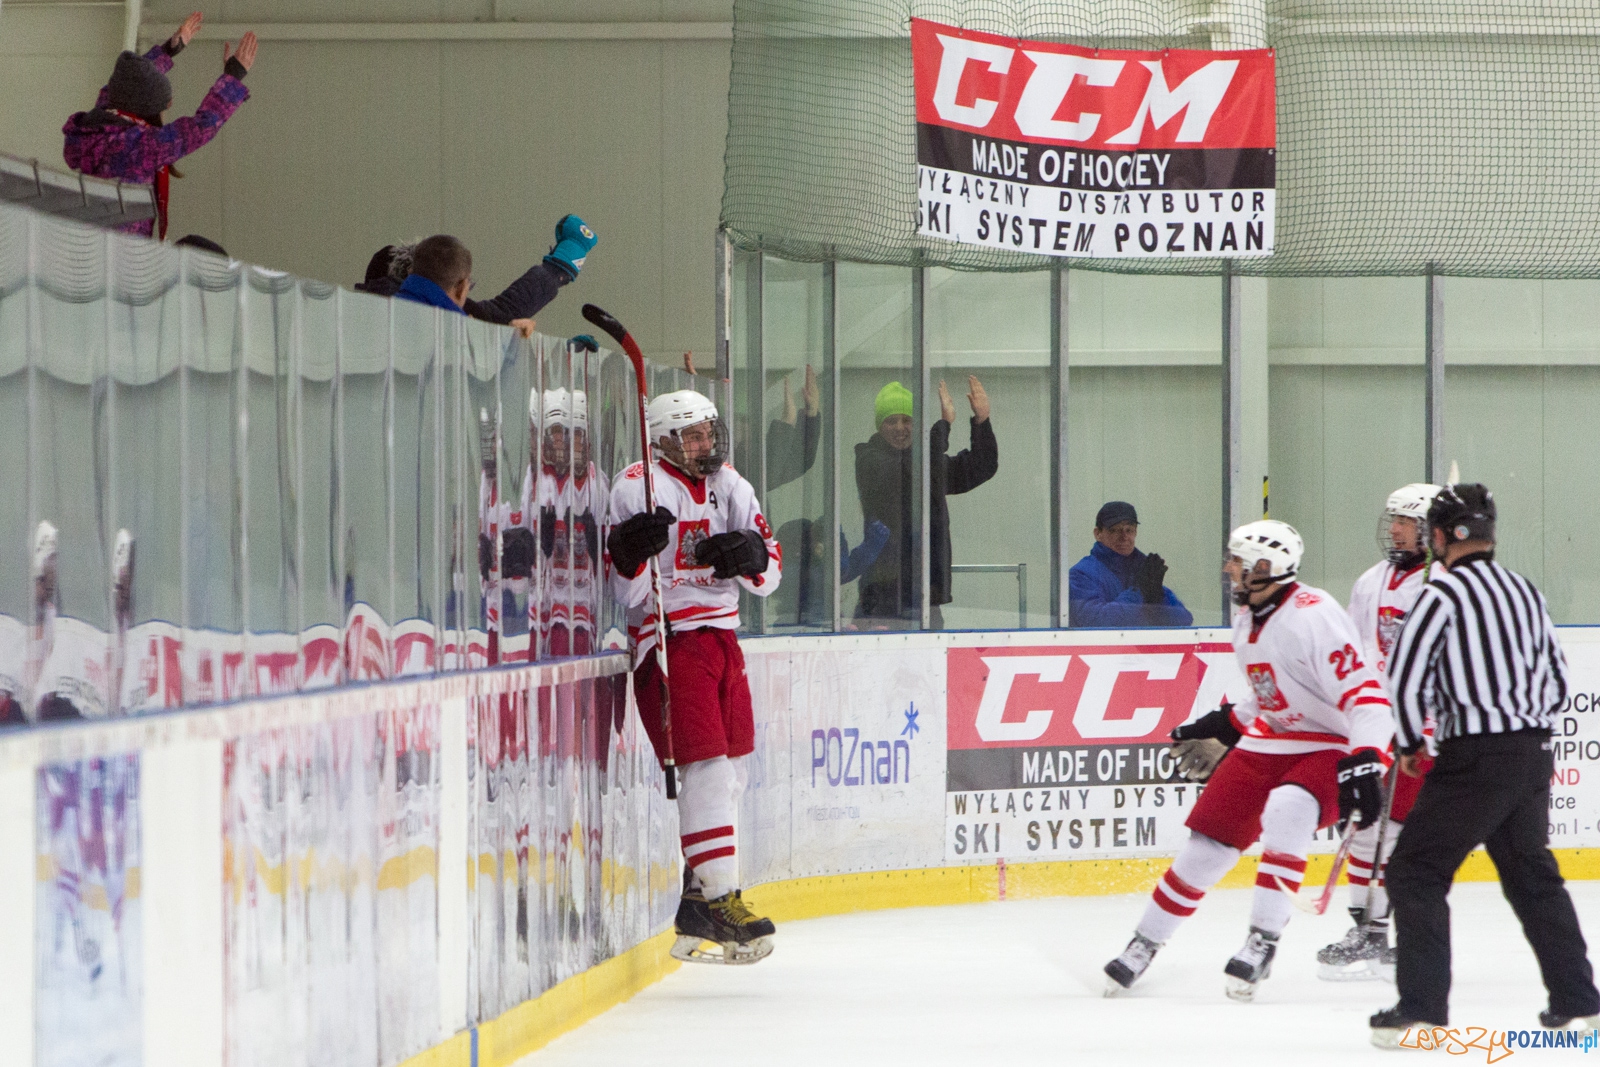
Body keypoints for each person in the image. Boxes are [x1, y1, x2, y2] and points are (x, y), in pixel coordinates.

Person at [1105, 520, 1393, 1002]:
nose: (1227, 569)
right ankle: (1144, 942)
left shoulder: (1312, 614)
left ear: (1265, 567)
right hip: (1275, 735)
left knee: (1288, 808)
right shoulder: (1248, 614)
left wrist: (1368, 757)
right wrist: (1224, 723)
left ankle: (1262, 939)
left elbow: (1365, 696)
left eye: (1236, 562)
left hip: (1334, 740)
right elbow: (1269, 694)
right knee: (1209, 843)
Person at [1372, 484, 1600, 1045]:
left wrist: (1406, 743)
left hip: (1474, 756)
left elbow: (1405, 677)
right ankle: (1578, 1001)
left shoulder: (1440, 595)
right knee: (1532, 877)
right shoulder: (1526, 590)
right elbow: (1557, 675)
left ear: (1446, 536)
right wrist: (1530, 732)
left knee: (1414, 872)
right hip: (1531, 753)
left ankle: (1422, 1009)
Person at [605, 388, 782, 964]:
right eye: (695, 435)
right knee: (704, 768)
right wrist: (632, 553)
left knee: (731, 773)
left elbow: (771, 571)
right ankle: (722, 897)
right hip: (669, 641)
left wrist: (750, 554)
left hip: (724, 640)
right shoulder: (636, 486)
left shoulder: (731, 483)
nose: (708, 444)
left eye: (710, 432)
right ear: (664, 440)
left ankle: (693, 899)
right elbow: (626, 593)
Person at [1317, 482, 1442, 981]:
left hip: (1423, 730)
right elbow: (1354, 653)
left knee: (1396, 830)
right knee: (1363, 821)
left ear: (1431, 531)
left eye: (1406, 522)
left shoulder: (1447, 585)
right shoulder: (1371, 580)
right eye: (1393, 519)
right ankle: (1364, 930)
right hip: (1374, 724)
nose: (1394, 530)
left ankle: (1385, 931)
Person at [63, 12, 255, 240]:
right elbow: (201, 128)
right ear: (147, 110)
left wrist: (169, 50)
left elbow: (123, 86)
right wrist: (233, 77)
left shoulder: (96, 127)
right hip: (122, 261)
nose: (169, 105)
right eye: (164, 105)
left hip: (89, 249)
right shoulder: (137, 147)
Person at [854, 377, 997, 629]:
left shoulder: (927, 462)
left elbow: (980, 467)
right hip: (881, 597)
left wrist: (981, 421)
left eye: (907, 420)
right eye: (891, 420)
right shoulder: (868, 459)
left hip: (927, 596)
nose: (900, 427)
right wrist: (942, 427)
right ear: (879, 426)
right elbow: (904, 476)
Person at [357, 214, 596, 336]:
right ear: (460, 288)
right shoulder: (444, 326)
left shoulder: (363, 324)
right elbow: (497, 313)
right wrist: (558, 270)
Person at [1068, 502, 1193, 627]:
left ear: (1136, 532)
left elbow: (1184, 621)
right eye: (1114, 530)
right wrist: (1138, 591)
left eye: (1129, 530)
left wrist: (1158, 596)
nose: (1124, 537)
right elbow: (1097, 622)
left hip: (1142, 647)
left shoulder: (1144, 569)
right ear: (1098, 533)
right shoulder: (1081, 574)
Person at [769, 517, 890, 628]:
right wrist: (836, 536)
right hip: (811, 627)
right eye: (814, 542)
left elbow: (846, 568)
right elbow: (844, 568)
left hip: (803, 625)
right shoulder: (796, 572)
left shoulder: (784, 570)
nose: (818, 546)